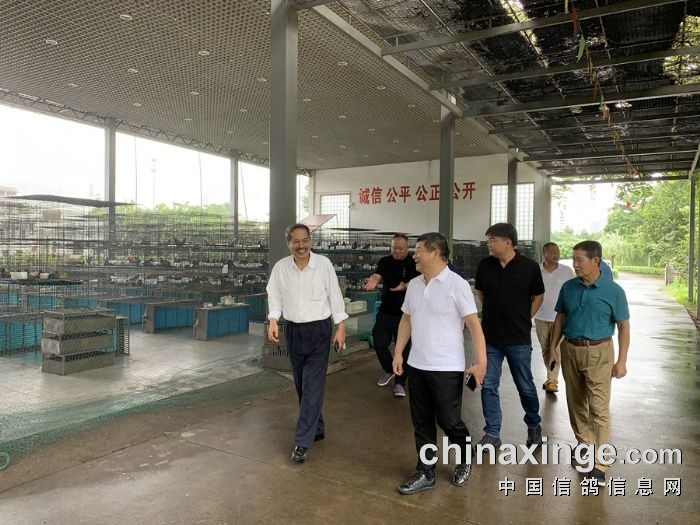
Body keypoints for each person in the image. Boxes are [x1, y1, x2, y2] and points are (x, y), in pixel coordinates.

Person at [392, 232, 487, 495]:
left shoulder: (457, 284)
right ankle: (426, 472)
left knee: (449, 421)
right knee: (421, 422)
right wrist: (398, 353)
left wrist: (481, 362)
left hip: (447, 367)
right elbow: (406, 320)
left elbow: (474, 325)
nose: (414, 255)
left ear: (435, 252)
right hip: (417, 364)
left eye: (419, 250)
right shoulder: (414, 284)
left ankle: (465, 458)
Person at [548, 240, 630, 486]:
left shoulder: (614, 291)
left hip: (599, 352)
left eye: (579, 260)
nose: (574, 264)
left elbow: (624, 326)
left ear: (596, 261)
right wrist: (553, 348)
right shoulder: (569, 287)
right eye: (573, 259)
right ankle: (584, 445)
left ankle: (600, 464)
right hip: (570, 349)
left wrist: (621, 361)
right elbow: (560, 318)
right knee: (575, 403)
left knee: (598, 408)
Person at [266, 223, 348, 464]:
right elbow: (274, 295)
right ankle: (317, 427)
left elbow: (335, 295)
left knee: (312, 385)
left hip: (319, 331)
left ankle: (302, 442)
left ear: (310, 241)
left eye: (305, 241)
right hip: (294, 331)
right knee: (302, 384)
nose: (301, 246)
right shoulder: (281, 268)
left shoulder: (323, 265)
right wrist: (273, 320)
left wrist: (340, 327)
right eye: (296, 242)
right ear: (288, 244)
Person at [474, 223, 545, 448]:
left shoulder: (529, 267)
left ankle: (533, 425)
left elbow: (538, 296)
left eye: (492, 240)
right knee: (488, 385)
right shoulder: (485, 265)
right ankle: (492, 433)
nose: (488, 243)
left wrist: (524, 318)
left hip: (518, 339)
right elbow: (480, 293)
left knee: (525, 385)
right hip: (490, 338)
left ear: (508, 242)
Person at [364, 234, 420, 397]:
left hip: (405, 314)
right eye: (394, 248)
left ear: (407, 248)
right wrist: (374, 280)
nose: (396, 251)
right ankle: (389, 369)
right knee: (379, 342)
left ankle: (400, 383)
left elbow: (420, 280)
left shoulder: (413, 263)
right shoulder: (385, 261)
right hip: (385, 310)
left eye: (400, 248)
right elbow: (378, 274)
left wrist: (406, 286)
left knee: (403, 349)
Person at [534, 242, 574, 394]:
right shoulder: (536, 270)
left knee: (555, 348)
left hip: (561, 317)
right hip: (541, 317)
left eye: (557, 251)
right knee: (546, 349)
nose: (556, 254)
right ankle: (551, 377)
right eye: (552, 252)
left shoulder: (567, 271)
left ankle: (552, 380)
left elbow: (572, 292)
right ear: (544, 253)